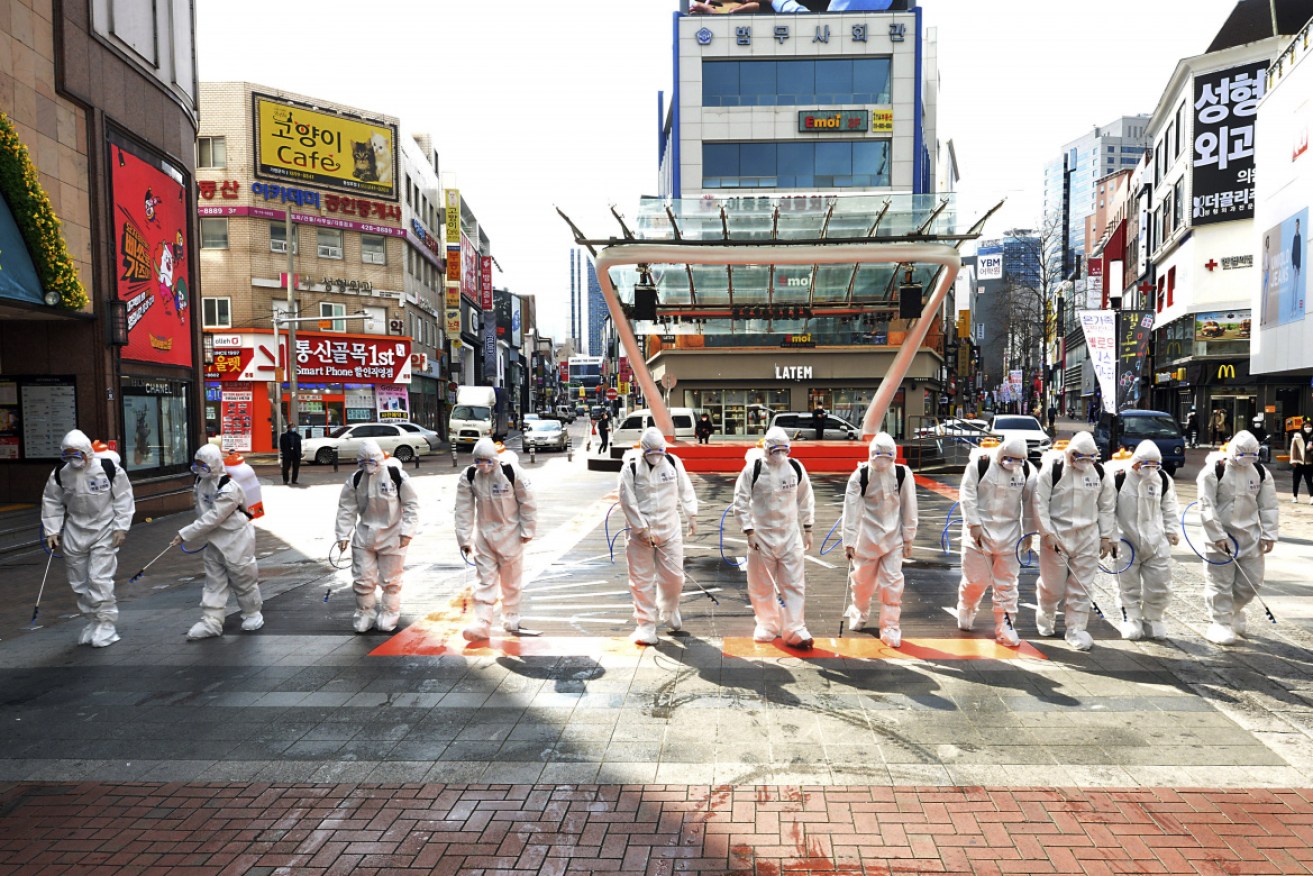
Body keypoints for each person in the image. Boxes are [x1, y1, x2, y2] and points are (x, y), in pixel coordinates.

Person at [40, 429, 136, 648]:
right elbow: (52, 502)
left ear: (87, 452)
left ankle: (106, 623)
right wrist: (52, 530)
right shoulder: (60, 474)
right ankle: (92, 620)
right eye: (68, 455)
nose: (74, 459)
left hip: (104, 529)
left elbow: (123, 498)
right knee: (79, 581)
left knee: (99, 579)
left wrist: (121, 527)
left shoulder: (108, 469)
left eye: (77, 454)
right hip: (75, 530)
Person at [732, 427, 816, 648]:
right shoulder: (754, 469)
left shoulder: (795, 468)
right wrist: (749, 531)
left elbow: (806, 498)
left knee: (794, 584)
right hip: (762, 537)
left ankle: (795, 628)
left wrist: (808, 527)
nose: (779, 454)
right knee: (761, 584)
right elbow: (740, 502)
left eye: (783, 449)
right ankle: (767, 624)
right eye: (775, 449)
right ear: (766, 448)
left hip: (790, 536)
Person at [1033, 431, 1117, 650]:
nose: (1085, 462)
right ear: (1071, 454)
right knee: (1054, 586)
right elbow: (1039, 502)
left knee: (1082, 586)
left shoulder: (1099, 472)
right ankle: (1046, 611)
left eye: (1090, 458)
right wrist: (1046, 532)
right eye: (1081, 457)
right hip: (1057, 535)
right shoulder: (1053, 470)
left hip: (1087, 536)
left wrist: (1106, 535)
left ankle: (1076, 628)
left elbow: (1107, 506)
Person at [171, 444, 263, 639]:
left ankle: (252, 612)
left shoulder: (229, 488)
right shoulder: (201, 483)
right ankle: (211, 621)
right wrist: (195, 532)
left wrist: (186, 534)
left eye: (203, 465)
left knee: (243, 577)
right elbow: (202, 511)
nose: (200, 469)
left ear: (213, 463)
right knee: (214, 581)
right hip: (214, 539)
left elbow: (214, 516)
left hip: (236, 538)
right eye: (197, 465)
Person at [1196, 430, 1280, 645]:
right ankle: (1220, 622)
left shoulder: (1260, 472)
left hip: (1250, 537)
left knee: (1252, 582)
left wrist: (1269, 534)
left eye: (1253, 456)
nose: (1248, 460)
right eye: (1244, 455)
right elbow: (1206, 506)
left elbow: (1268, 506)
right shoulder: (1214, 471)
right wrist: (1217, 535)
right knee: (1219, 583)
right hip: (1220, 539)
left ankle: (1233, 611)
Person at [618, 427, 698, 645]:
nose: (656, 457)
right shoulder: (631, 468)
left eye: (659, 452)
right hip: (639, 534)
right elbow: (627, 500)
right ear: (643, 450)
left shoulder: (673, 463)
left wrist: (691, 514)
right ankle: (645, 624)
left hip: (669, 529)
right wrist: (641, 529)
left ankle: (669, 608)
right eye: (651, 453)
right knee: (641, 580)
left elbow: (685, 489)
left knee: (674, 577)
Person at [956, 436, 1035, 648]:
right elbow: (967, 493)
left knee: (1007, 584)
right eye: (1010, 459)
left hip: (1010, 535)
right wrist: (973, 523)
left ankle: (1005, 625)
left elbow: (1029, 502)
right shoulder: (980, 464)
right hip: (979, 534)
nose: (1014, 463)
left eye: (1019, 460)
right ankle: (967, 605)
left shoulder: (1026, 471)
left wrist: (1029, 532)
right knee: (976, 580)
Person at [455, 437, 537, 640]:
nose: (483, 465)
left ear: (495, 459)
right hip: (484, 536)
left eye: (487, 461)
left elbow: (528, 501)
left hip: (510, 534)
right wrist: (464, 538)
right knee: (484, 581)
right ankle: (482, 623)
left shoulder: (511, 472)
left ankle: (511, 615)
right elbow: (463, 508)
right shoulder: (470, 475)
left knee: (511, 581)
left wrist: (527, 530)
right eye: (479, 461)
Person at [335, 439, 420, 634]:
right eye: (363, 462)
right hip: (365, 535)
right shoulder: (356, 479)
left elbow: (411, 505)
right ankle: (365, 613)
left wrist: (407, 532)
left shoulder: (395, 476)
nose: (368, 466)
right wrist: (343, 534)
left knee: (391, 580)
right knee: (363, 579)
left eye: (371, 461)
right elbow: (346, 508)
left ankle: (390, 612)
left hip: (393, 536)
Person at [841, 432, 917, 648]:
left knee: (893, 584)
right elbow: (851, 509)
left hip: (893, 539)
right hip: (866, 539)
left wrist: (908, 537)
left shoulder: (903, 474)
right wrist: (849, 541)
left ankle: (891, 626)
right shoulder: (860, 475)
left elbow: (910, 506)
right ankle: (859, 608)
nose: (883, 463)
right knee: (862, 584)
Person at [1112, 440, 1180, 640]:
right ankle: (1131, 617)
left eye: (1154, 466)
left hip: (1156, 541)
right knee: (1127, 584)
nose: (1150, 470)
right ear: (1136, 463)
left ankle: (1153, 618)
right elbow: (1108, 509)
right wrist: (1110, 536)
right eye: (1146, 465)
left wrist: (1172, 530)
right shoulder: (1120, 479)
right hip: (1127, 540)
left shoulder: (1163, 480)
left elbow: (1169, 507)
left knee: (1159, 583)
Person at [1291, 420, 1313, 504]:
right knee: (1296, 480)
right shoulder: (1297, 437)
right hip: (1298, 462)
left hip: (1309, 462)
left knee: (1309, 480)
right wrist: (1293, 460)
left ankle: (1312, 497)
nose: (1308, 428)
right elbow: (1293, 449)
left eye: (1309, 426)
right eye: (1306, 426)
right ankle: (1294, 496)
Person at [279, 421, 302, 485]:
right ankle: (285, 480)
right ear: (288, 428)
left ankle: (294, 480)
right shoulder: (284, 436)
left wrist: (299, 454)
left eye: (294, 427)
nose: (293, 428)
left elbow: (299, 446)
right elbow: (282, 445)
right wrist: (284, 452)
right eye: (292, 427)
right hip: (287, 454)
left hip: (296, 454)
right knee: (285, 468)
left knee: (296, 468)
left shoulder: (298, 436)